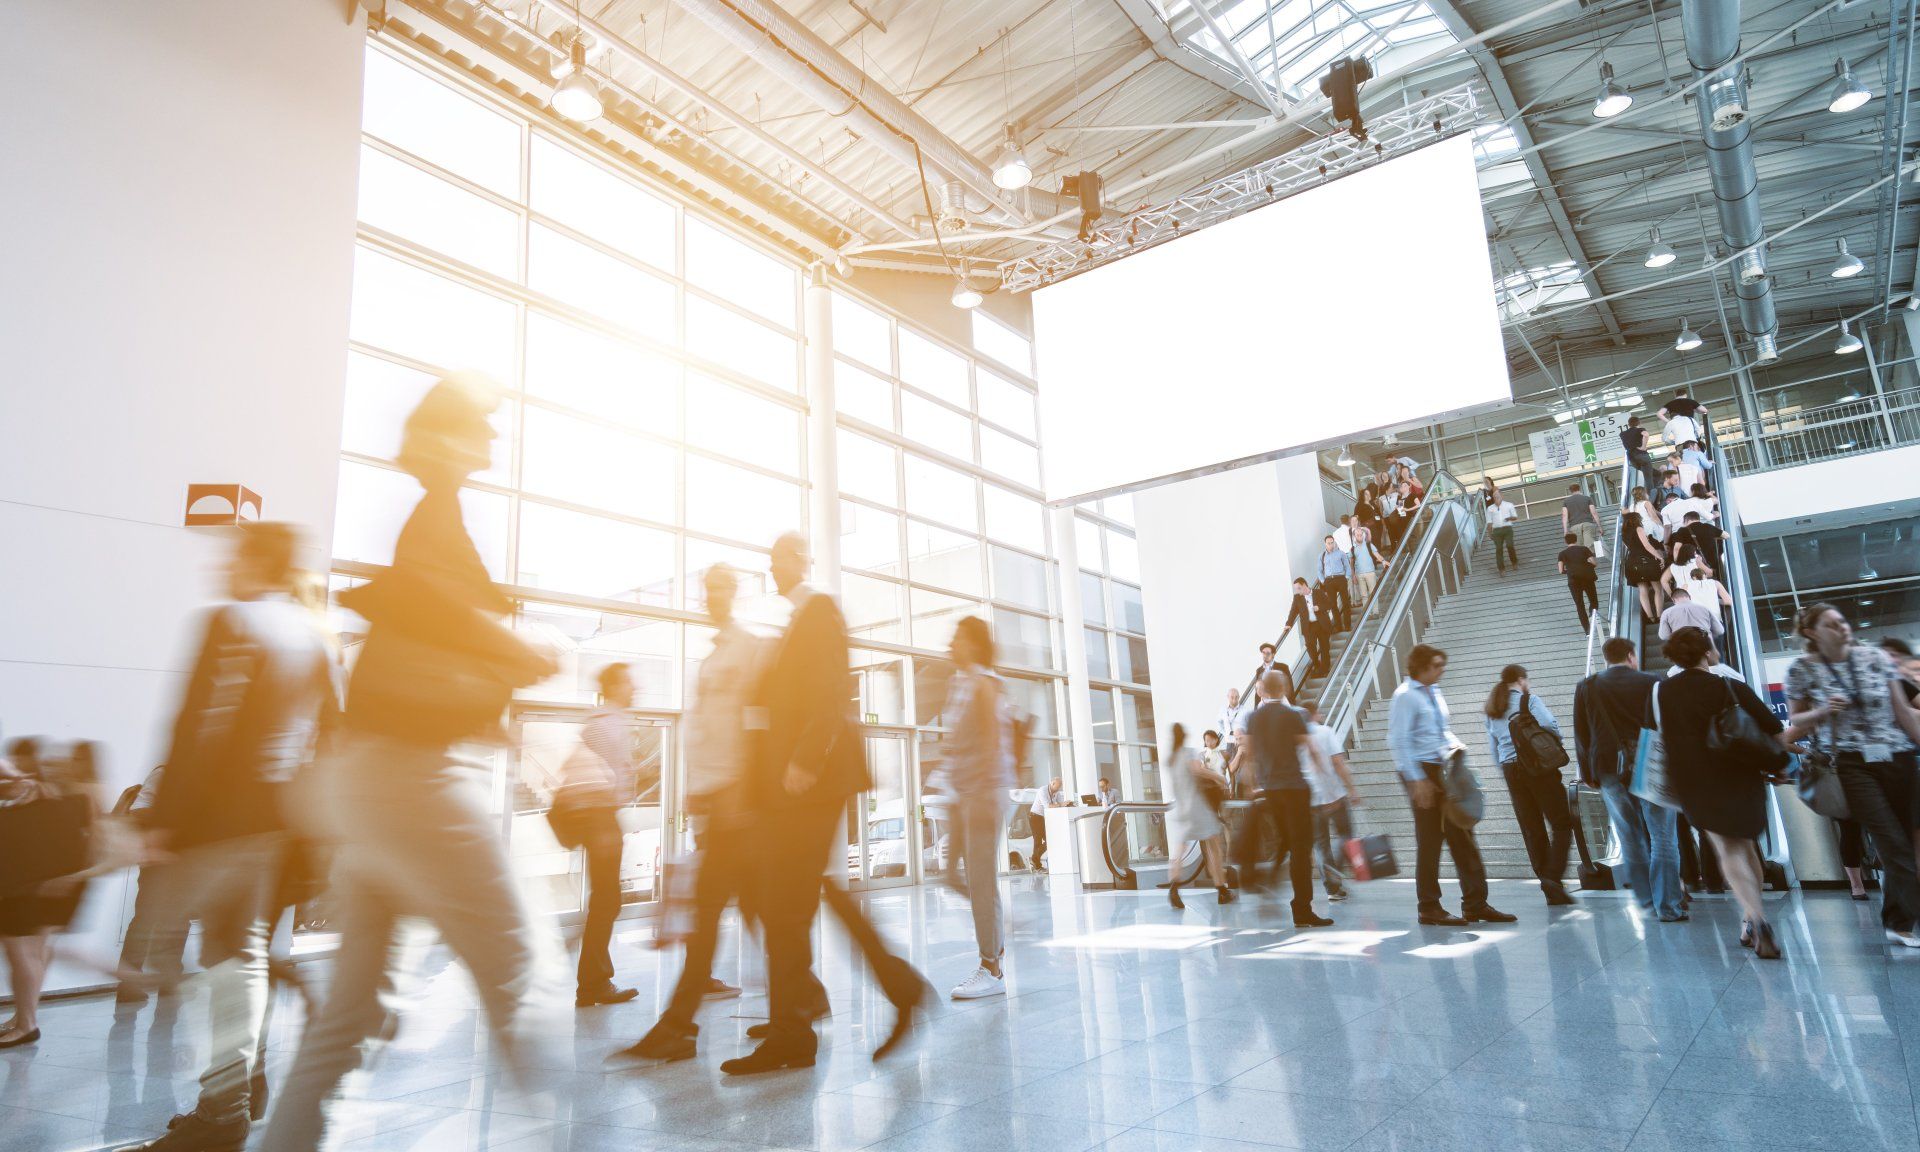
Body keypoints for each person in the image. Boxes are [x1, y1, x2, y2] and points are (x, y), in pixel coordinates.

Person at [261, 375, 559, 1152]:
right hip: (406, 782)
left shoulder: (433, 517)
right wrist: (517, 650)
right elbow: (431, 605)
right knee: (520, 972)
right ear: (452, 439)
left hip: (361, 789)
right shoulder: (438, 516)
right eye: (482, 431)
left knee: (349, 1017)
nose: (494, 443)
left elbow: (421, 630)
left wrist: (490, 711)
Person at [127, 523, 337, 1151]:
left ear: (255, 562)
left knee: (173, 957)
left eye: (234, 556)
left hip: (215, 826)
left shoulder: (234, 623)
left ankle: (223, 1109)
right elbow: (330, 740)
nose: (223, 567)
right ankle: (230, 1103)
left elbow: (201, 727)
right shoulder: (314, 636)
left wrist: (163, 822)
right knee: (234, 960)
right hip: (272, 830)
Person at [724, 532, 925, 1074]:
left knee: (787, 904)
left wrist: (804, 761)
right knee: (798, 897)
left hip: (811, 782)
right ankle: (889, 989)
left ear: (799, 558)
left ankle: (797, 1029)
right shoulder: (794, 622)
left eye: (778, 556)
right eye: (768, 557)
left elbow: (833, 691)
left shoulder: (818, 610)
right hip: (795, 787)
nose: (771, 565)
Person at [626, 564, 767, 1061]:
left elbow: (754, 722)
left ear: (736, 593)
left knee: (709, 913)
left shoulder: (748, 650)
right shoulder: (713, 656)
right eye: (707, 589)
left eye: (721, 588)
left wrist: (739, 793)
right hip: (715, 799)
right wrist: (696, 790)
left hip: (734, 801)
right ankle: (804, 995)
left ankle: (680, 1025)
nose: (712, 597)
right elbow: (706, 729)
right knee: (753, 910)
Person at [1786, 604, 1920, 949]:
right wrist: (1823, 710)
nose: (1842, 627)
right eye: (1831, 625)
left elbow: (1903, 712)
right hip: (1851, 762)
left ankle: (1896, 918)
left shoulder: (1875, 658)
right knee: (1891, 840)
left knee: (1904, 838)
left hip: (1898, 756)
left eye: (1842, 621)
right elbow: (1797, 724)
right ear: (1812, 632)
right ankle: (1902, 923)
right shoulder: (1802, 670)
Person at [1652, 627, 1788, 958]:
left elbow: (1656, 736)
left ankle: (1754, 918)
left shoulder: (1662, 693)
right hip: (1741, 776)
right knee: (1746, 845)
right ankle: (1754, 917)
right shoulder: (1730, 686)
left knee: (1727, 849)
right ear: (1707, 652)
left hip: (1696, 781)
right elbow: (1772, 727)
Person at [1386, 645, 1512, 926]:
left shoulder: (1434, 691)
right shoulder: (1405, 697)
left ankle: (1476, 903)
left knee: (1463, 834)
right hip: (1421, 771)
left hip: (1443, 766)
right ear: (1421, 667)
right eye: (1437, 665)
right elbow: (1399, 741)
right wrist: (1417, 780)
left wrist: (1455, 747)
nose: (1442, 669)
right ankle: (1428, 906)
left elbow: (1440, 730)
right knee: (1430, 839)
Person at [936, 616, 1019, 999]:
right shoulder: (961, 683)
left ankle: (991, 967)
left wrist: (984, 792)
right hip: (962, 792)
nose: (950, 644)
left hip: (982, 792)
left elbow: (991, 742)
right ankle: (997, 934)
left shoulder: (986, 684)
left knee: (981, 879)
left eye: (956, 638)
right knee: (951, 874)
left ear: (972, 643)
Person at [549, 664, 641, 1009]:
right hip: (600, 816)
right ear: (615, 686)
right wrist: (603, 825)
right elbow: (596, 780)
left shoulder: (607, 722)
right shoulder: (606, 725)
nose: (636, 688)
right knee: (607, 899)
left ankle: (593, 980)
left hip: (603, 816)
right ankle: (592, 983)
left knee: (607, 898)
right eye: (630, 682)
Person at [1575, 638, 1684, 921]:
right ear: (1631, 656)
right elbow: (1669, 725)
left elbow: (1582, 734)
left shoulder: (1587, 686)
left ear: (1606, 658)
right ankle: (1669, 906)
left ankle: (1646, 900)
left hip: (1609, 767)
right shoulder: (1653, 682)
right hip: (1651, 763)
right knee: (1662, 836)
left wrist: (1588, 773)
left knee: (1629, 836)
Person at [1, 739, 99, 1051]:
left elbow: (77, 845)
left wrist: (68, 879)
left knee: (24, 955)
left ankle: (26, 1023)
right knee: (24, 956)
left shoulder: (47, 793)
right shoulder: (38, 791)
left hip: (26, 888)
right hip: (26, 886)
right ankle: (22, 1019)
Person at [1236, 670, 1332, 928]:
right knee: (1301, 849)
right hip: (1294, 789)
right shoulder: (1293, 715)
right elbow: (1310, 748)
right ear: (1285, 687)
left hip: (1270, 791)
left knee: (1287, 840)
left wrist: (1252, 786)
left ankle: (1271, 877)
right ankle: (1302, 909)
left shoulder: (1254, 718)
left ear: (1264, 690)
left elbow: (1249, 754)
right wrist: (1328, 781)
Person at [1483, 666, 1576, 906]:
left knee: (1532, 828)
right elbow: (1550, 724)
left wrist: (1505, 770)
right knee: (1562, 822)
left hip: (1510, 770)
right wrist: (1556, 743)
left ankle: (1548, 884)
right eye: (1527, 679)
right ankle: (1553, 877)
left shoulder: (1494, 709)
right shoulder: (1529, 700)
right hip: (1537, 769)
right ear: (1520, 680)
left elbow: (1493, 747)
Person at [114, 765, 187, 1003]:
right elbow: (138, 811)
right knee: (146, 920)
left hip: (186, 859)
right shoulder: (166, 772)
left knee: (179, 920)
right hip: (159, 857)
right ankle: (129, 985)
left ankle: (169, 982)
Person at [1165, 725, 1233, 910]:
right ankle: (1221, 889)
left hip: (1180, 808)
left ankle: (1173, 888)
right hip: (1196, 807)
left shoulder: (1170, 758)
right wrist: (1220, 779)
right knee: (1214, 846)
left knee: (1179, 850)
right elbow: (1198, 771)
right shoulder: (1188, 752)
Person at [1303, 702, 1357, 904]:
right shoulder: (1325, 732)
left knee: (1321, 844)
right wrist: (1351, 789)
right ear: (1314, 714)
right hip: (1333, 794)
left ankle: (1332, 888)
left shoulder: (1297, 738)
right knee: (1346, 836)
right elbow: (1337, 762)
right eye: (1319, 711)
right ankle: (1337, 873)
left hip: (1310, 799)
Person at [1620, 510, 1664, 623]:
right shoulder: (1639, 528)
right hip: (1646, 561)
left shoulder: (1623, 533)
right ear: (1636, 519)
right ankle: (1659, 616)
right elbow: (1646, 545)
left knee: (1642, 589)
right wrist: (1659, 557)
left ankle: (1650, 617)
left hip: (1632, 562)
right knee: (1658, 588)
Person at [1286, 578, 1330, 678]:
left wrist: (1319, 607)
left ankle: (1325, 669)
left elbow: (1329, 604)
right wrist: (1288, 623)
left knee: (1325, 647)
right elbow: (1293, 611)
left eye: (1299, 588)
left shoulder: (1319, 592)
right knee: (1310, 647)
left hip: (1321, 624)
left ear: (1305, 585)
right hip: (1309, 627)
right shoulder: (1297, 598)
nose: (1297, 591)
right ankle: (1317, 664)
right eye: (1296, 589)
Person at [1556, 532, 1599, 633]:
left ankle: (1587, 631)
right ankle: (1592, 616)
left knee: (1579, 605)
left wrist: (1570, 571)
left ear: (1566, 542)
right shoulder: (1584, 549)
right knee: (1593, 601)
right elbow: (1594, 563)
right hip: (1587, 578)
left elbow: (1560, 570)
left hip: (1573, 581)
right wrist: (1585, 567)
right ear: (1576, 539)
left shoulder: (1562, 554)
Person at [1028, 776, 1071, 870]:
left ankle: (1034, 859)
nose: (1058, 788)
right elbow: (1048, 806)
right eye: (1058, 786)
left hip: (1043, 817)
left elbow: (1060, 804)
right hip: (1035, 816)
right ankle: (1037, 865)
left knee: (1050, 840)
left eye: (1060, 786)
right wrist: (1060, 804)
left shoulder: (1057, 793)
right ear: (1052, 783)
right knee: (1037, 840)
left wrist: (1067, 804)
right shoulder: (1042, 790)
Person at [1317, 535, 1352, 632]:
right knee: (1333, 605)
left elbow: (1347, 566)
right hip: (1329, 581)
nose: (1331, 545)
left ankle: (1348, 625)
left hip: (1340, 579)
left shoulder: (1341, 553)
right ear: (1325, 544)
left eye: (1332, 542)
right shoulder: (1322, 556)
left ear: (1334, 542)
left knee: (1345, 602)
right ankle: (1338, 627)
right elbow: (1319, 570)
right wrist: (1323, 581)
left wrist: (1347, 577)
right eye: (1329, 543)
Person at [1350, 523, 1388, 609]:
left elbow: (1377, 554)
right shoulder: (1352, 549)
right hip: (1359, 574)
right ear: (1354, 536)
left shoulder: (1369, 545)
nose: (1359, 536)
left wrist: (1383, 561)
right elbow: (1351, 564)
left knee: (1373, 593)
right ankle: (1366, 613)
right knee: (1364, 595)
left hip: (1370, 572)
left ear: (1363, 535)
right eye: (1357, 535)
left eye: (1360, 534)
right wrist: (1353, 576)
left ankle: (1375, 612)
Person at [1620, 414, 1661, 491]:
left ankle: (1655, 491)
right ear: (1639, 423)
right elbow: (1646, 435)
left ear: (1629, 424)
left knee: (1657, 474)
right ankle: (1652, 496)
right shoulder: (1640, 429)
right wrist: (1643, 446)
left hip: (1632, 459)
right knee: (1648, 479)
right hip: (1642, 456)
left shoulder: (1622, 434)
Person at [1485, 489, 1520, 574]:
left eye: (1498, 496)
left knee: (1509, 545)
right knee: (1499, 549)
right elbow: (1489, 522)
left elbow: (1515, 517)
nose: (1496, 498)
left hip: (1507, 529)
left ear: (1501, 496)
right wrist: (1489, 533)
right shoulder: (1490, 508)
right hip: (1497, 531)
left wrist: (1509, 518)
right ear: (1493, 498)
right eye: (1495, 497)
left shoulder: (1509, 505)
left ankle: (1514, 562)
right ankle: (1501, 569)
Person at [1561, 482, 1601, 556]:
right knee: (1590, 547)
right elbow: (1594, 513)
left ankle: (1582, 564)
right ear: (1579, 489)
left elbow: (1564, 516)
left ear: (1570, 491)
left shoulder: (1566, 501)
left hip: (1574, 526)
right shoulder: (1587, 498)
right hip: (1587, 524)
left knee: (1579, 548)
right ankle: (1591, 564)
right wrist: (1599, 527)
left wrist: (1565, 531)